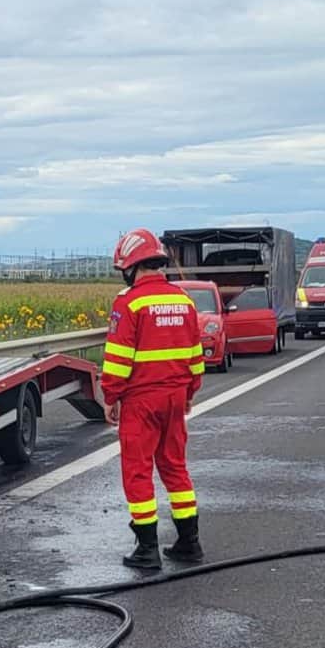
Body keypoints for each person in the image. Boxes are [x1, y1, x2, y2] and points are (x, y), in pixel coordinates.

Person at [102, 228, 206, 569]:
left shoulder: (129, 303)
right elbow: (195, 355)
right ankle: (189, 542)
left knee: (138, 470)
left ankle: (147, 548)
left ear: (131, 267)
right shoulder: (184, 301)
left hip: (141, 400)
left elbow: (118, 358)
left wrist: (110, 396)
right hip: (176, 396)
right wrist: (189, 392)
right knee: (175, 467)